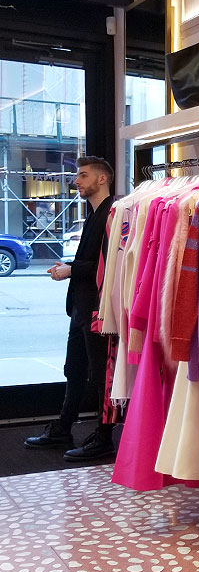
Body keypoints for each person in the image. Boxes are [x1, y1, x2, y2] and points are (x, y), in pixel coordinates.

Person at [24, 156, 116, 461]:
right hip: (81, 306)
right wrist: (70, 267)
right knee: (74, 369)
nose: (77, 181)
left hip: (98, 308)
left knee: (100, 374)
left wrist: (71, 269)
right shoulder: (94, 215)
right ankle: (63, 427)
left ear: (102, 179)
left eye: (83, 175)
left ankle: (104, 437)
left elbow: (109, 266)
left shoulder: (113, 214)